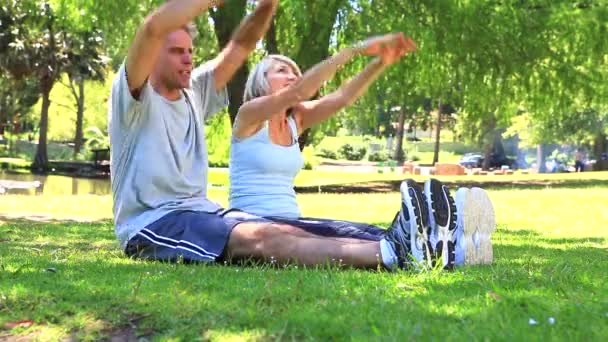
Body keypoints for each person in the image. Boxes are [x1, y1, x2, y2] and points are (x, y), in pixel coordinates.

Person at [109, 0, 440, 271]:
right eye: (176, 51)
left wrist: (268, 4)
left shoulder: (194, 91)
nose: (188, 58)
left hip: (203, 211)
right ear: (151, 57)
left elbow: (242, 45)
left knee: (287, 229)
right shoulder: (134, 96)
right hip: (153, 224)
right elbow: (153, 28)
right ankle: (391, 253)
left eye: (190, 51)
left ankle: (421, 242)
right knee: (261, 236)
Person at [228, 34, 496, 269]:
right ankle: (445, 248)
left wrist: (380, 62)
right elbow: (299, 92)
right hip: (256, 224)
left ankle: (453, 241)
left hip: (295, 221)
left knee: (358, 231)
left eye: (295, 72)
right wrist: (354, 50)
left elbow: (343, 97)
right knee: (351, 239)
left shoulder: (294, 120)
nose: (292, 77)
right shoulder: (249, 116)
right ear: (261, 79)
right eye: (281, 71)